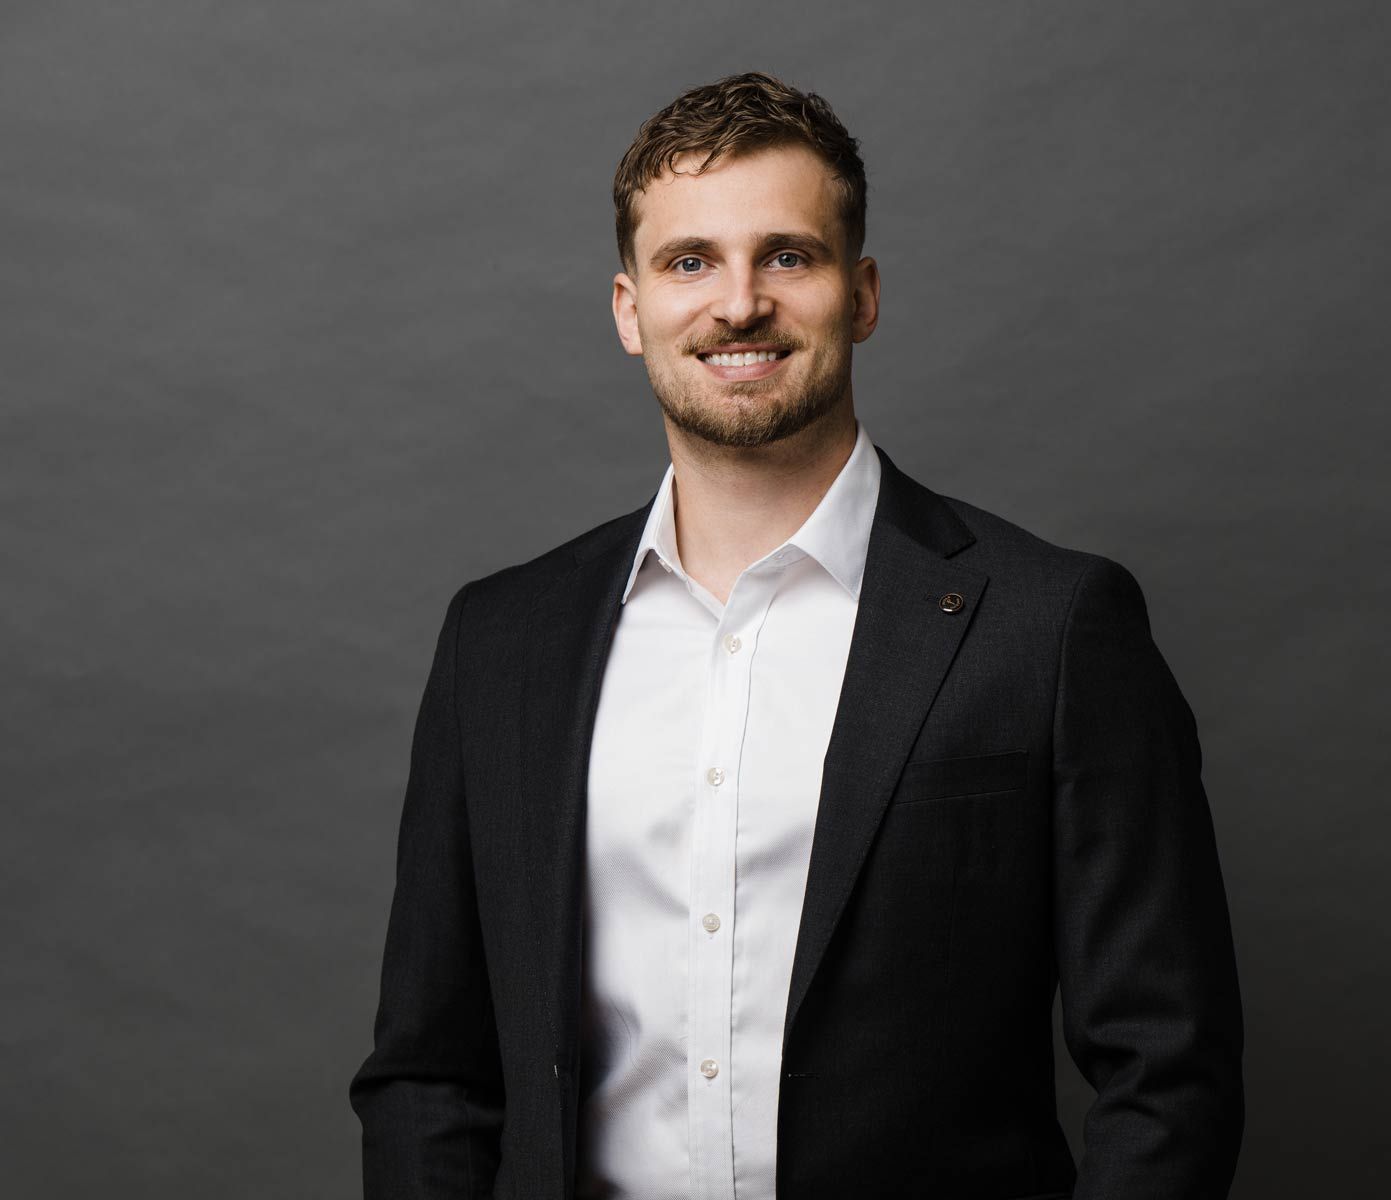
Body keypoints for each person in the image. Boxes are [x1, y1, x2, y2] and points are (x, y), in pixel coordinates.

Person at [349, 71, 1244, 1200]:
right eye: (690, 262)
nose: (738, 305)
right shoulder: (502, 642)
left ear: (860, 294)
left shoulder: (1052, 627)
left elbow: (1168, 1069)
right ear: (629, 310)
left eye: (787, 255)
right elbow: (431, 1074)